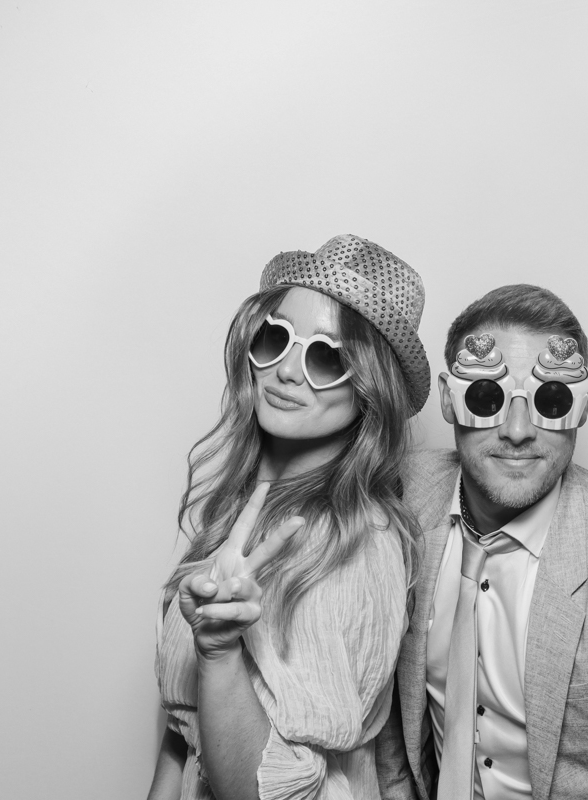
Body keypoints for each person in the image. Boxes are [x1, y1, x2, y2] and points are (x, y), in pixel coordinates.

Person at [376, 284, 588, 799]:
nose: (517, 431)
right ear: (448, 399)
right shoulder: (399, 499)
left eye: (549, 401)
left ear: (580, 407)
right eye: (485, 397)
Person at [147, 234, 430, 800]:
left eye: (327, 356)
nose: (286, 371)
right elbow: (186, 729)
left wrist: (222, 651)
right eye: (276, 338)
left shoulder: (356, 544)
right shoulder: (245, 505)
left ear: (371, 390)